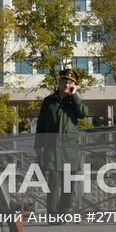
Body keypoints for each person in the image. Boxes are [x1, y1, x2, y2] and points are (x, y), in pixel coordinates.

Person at [34, 68, 88, 213]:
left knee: (68, 185)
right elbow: (41, 124)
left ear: (74, 84)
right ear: (59, 82)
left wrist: (75, 95)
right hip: (51, 148)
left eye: (70, 82)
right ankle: (52, 215)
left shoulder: (74, 101)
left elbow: (83, 113)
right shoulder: (49, 101)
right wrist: (38, 145)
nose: (67, 83)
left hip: (69, 149)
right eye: (64, 80)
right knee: (53, 183)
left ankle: (64, 212)